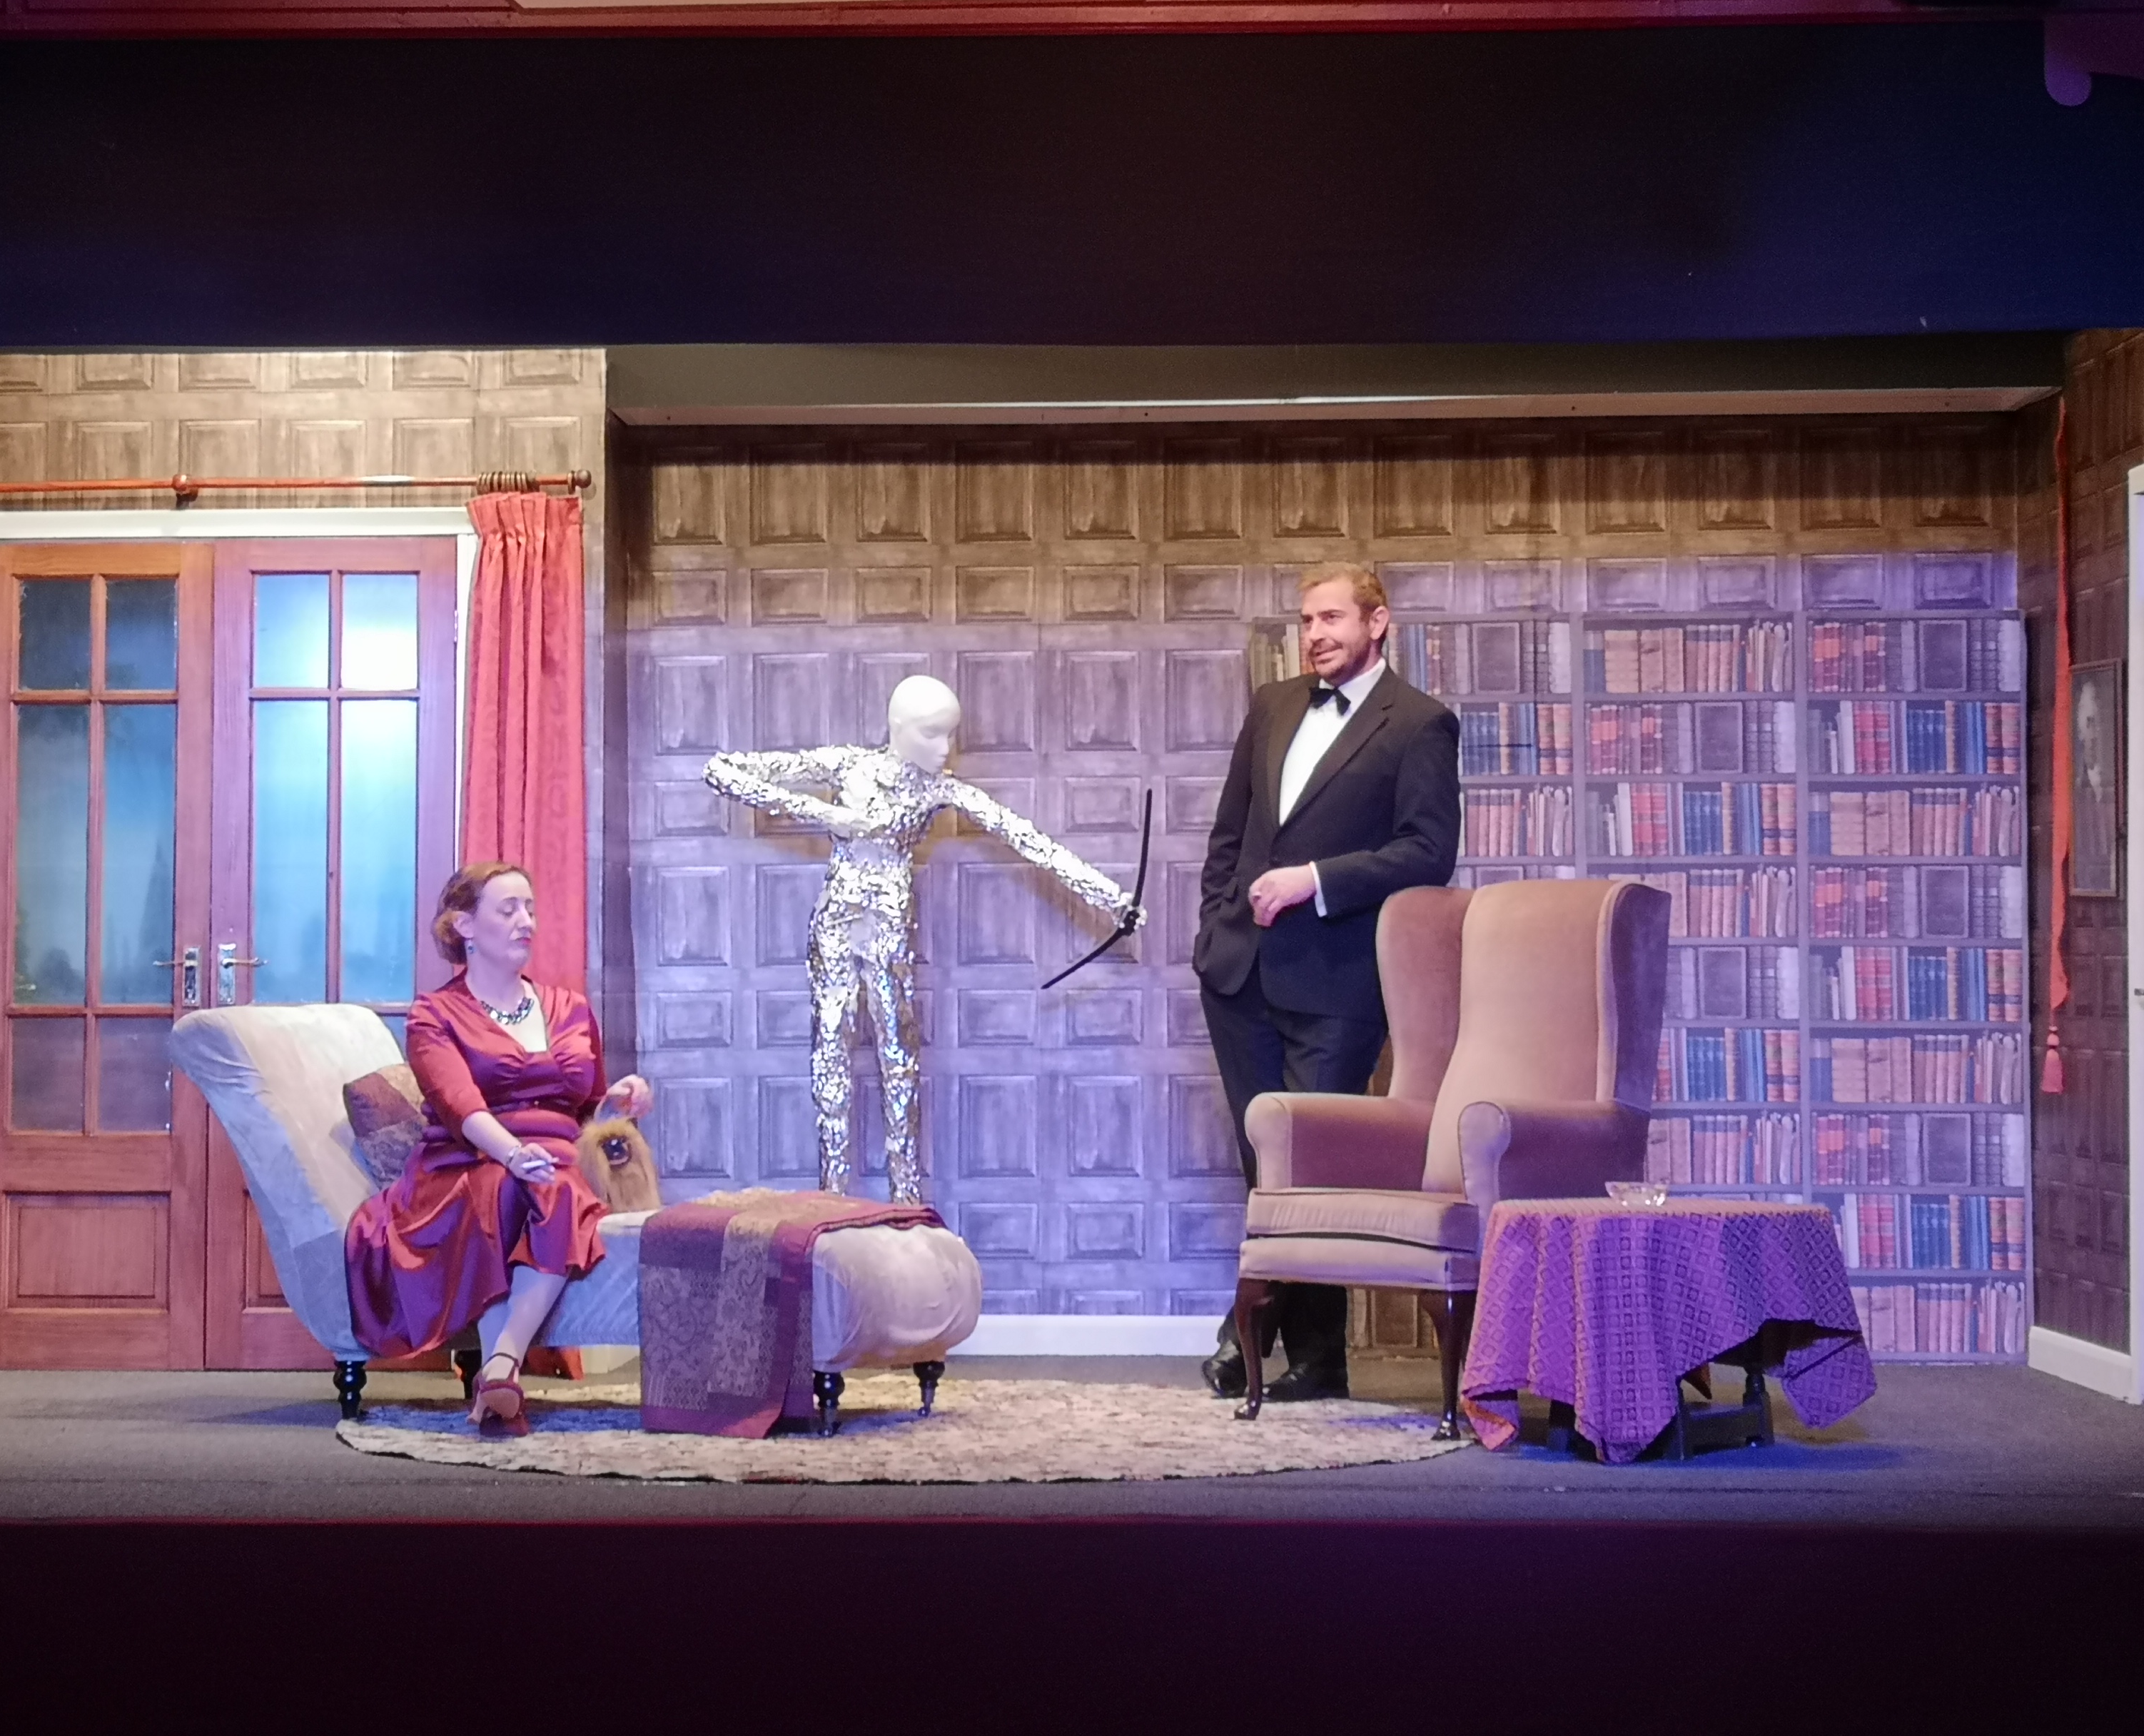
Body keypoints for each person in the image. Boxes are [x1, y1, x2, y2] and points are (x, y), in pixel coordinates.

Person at [704, 673, 1141, 1205]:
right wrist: (830, 815)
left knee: (898, 1060)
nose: (945, 748)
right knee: (830, 1058)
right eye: (933, 734)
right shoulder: (849, 765)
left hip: (888, 933)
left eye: (950, 734)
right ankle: (830, 1203)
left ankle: (906, 1203)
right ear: (899, 727)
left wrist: (1112, 897)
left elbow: (1028, 839)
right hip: (837, 926)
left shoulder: (941, 790)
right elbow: (721, 770)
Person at [1193, 564, 1460, 1402]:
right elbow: (1230, 835)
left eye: (1333, 618)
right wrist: (1215, 925)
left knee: (1310, 1167)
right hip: (1240, 973)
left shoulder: (1419, 723)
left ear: (1378, 623)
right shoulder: (1273, 705)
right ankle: (1316, 1359)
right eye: (1307, 620)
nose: (1315, 634)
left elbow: (1428, 852)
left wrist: (1315, 880)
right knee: (1262, 1163)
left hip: (1339, 983)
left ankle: (1253, 1335)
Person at [343, 861, 653, 1435]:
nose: (525, 921)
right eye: (508, 909)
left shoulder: (570, 1007)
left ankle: (499, 1370)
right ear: (464, 926)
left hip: (559, 1158)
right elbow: (460, 1106)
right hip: (466, 1159)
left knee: (552, 1180)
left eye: (529, 909)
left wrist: (618, 1104)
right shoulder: (434, 1015)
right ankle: (502, 1369)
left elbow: (585, 1108)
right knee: (515, 1187)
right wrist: (513, 1154)